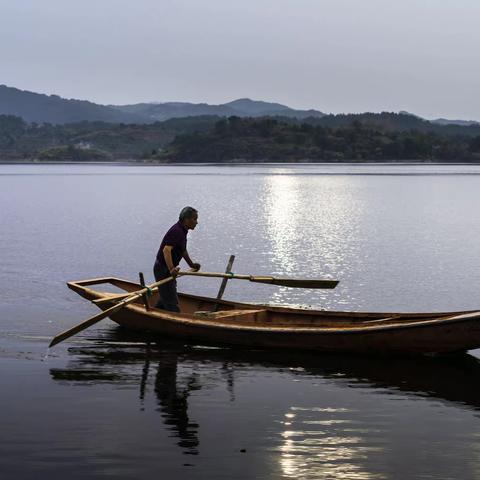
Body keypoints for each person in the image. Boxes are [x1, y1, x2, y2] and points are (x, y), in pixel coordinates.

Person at [153, 206, 201, 312]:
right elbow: (166, 250)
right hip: (163, 269)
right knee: (173, 307)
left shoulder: (183, 231)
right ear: (187, 219)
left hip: (167, 269)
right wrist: (171, 269)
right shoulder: (177, 231)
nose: (197, 222)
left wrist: (191, 265)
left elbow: (182, 250)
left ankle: (153, 312)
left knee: (166, 295)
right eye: (195, 219)